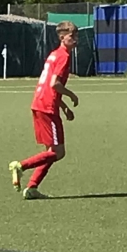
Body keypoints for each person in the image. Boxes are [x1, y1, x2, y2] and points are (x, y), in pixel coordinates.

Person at [8, 22, 79, 200]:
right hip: (47, 107)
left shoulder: (54, 54)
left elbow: (50, 85)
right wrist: (72, 95)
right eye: (72, 36)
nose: (75, 39)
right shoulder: (63, 56)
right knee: (58, 152)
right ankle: (20, 166)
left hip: (40, 103)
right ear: (62, 37)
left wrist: (64, 107)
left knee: (50, 151)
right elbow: (55, 84)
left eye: (76, 35)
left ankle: (32, 187)